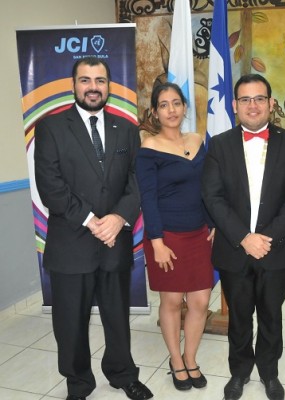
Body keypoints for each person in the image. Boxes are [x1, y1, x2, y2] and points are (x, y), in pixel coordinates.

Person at [34, 57, 153, 400]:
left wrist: (118, 218)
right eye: (85, 80)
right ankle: (78, 384)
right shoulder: (51, 127)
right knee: (70, 323)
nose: (93, 87)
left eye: (100, 80)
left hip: (115, 240)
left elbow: (136, 181)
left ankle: (122, 374)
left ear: (109, 86)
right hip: (71, 243)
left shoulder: (127, 129)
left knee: (117, 317)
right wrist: (90, 220)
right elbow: (50, 185)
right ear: (73, 86)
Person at [201, 74, 285, 400]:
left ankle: (269, 372)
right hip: (234, 249)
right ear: (234, 106)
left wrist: (267, 238)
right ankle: (239, 372)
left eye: (259, 98)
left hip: (275, 251)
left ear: (271, 103)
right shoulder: (219, 144)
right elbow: (212, 196)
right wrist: (244, 237)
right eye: (246, 99)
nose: (253, 105)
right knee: (238, 317)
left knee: (271, 316)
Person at [136, 82, 214, 391]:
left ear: (184, 108)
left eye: (176, 103)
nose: (171, 110)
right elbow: (148, 198)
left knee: (200, 301)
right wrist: (156, 243)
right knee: (171, 301)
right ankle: (175, 360)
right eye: (164, 105)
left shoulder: (197, 140)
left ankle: (190, 357)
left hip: (199, 234)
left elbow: (208, 187)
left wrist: (214, 224)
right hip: (166, 237)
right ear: (155, 112)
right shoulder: (148, 148)